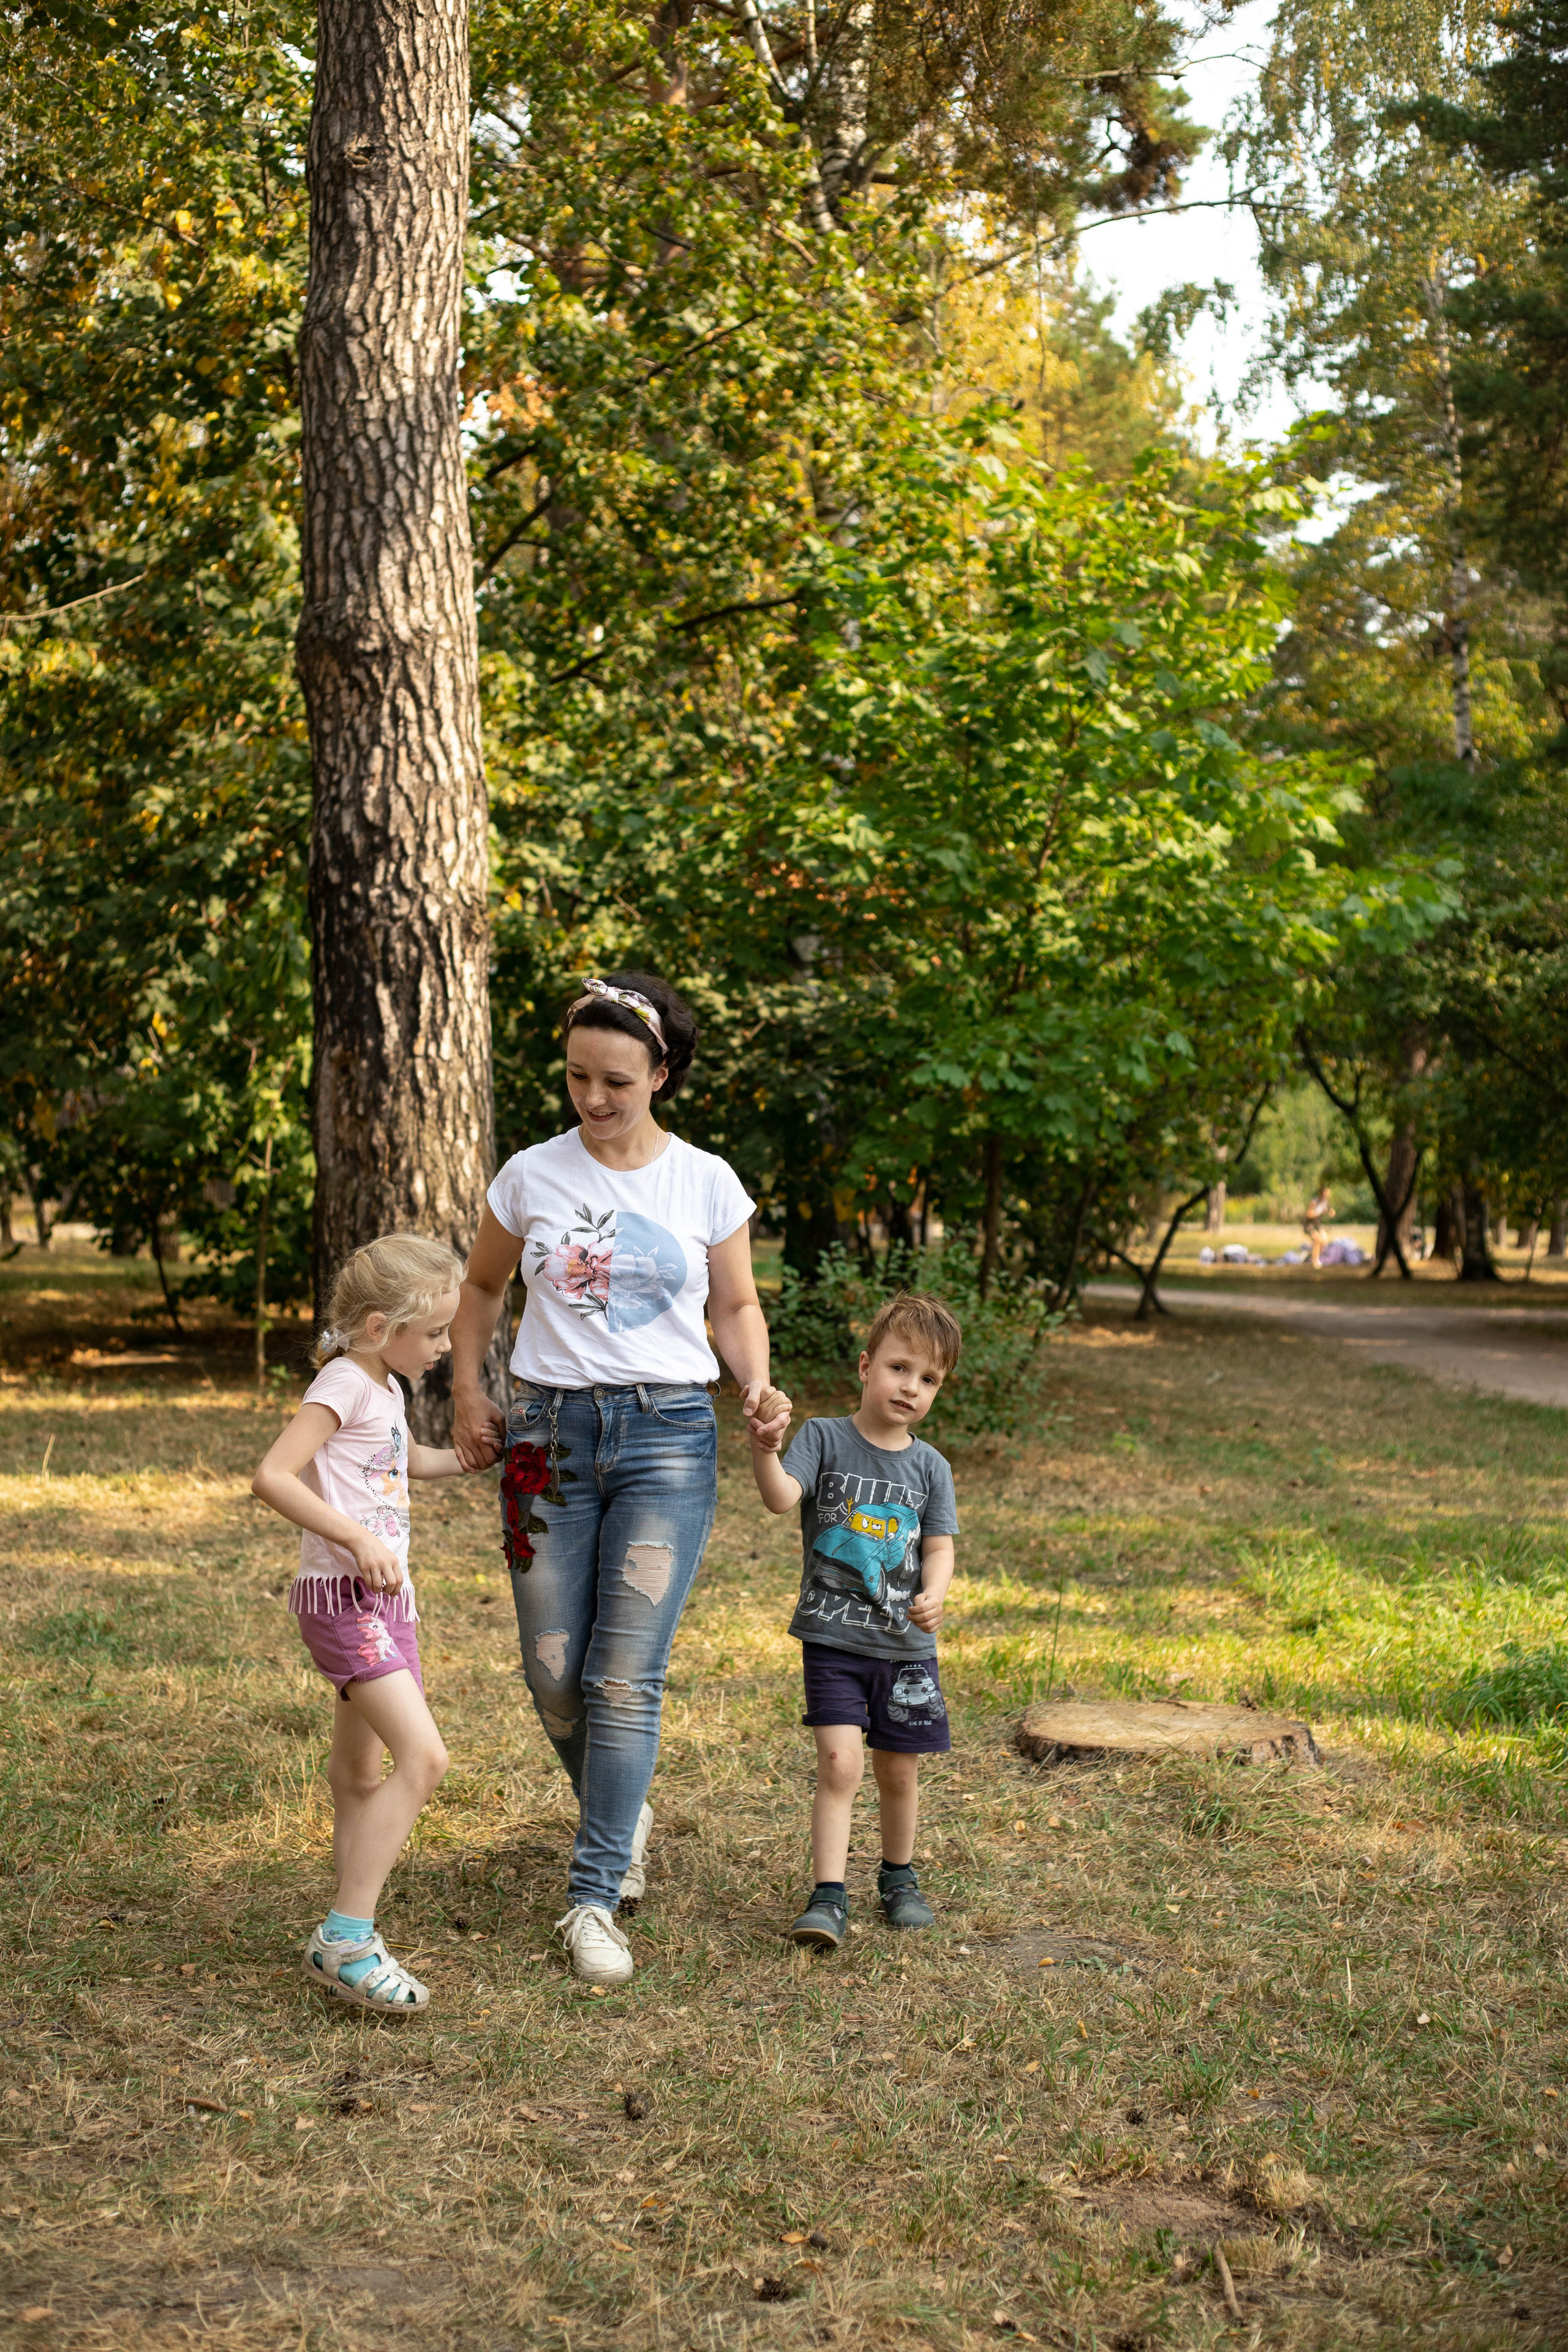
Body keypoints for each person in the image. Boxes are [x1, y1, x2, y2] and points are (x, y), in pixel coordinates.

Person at [447, 973, 787, 1988]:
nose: (593, 1099)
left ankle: (594, 1896)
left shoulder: (706, 1183)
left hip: (668, 1438)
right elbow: (480, 1287)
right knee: (552, 1671)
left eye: (616, 1082)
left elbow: (734, 1308)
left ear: (662, 1077)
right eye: (577, 1077)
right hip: (544, 1442)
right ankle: (620, 1806)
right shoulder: (529, 1177)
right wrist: (469, 1388)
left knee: (622, 1675)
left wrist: (758, 1382)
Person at [251, 1235, 466, 2013]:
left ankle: (353, 1918)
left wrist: (484, 1452)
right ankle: (345, 1937)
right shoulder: (343, 1380)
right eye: (435, 1332)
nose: (446, 1346)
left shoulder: (385, 1384)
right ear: (381, 1326)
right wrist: (356, 1538)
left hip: (386, 1603)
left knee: (360, 1775)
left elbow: (406, 1463)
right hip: (343, 1601)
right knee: (425, 1758)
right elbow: (272, 1475)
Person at [749, 1291, 961, 1951]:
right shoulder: (823, 1437)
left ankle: (898, 1878)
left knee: (899, 1771)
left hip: (905, 1648)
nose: (911, 1387)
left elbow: (939, 1546)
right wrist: (765, 1449)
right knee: (840, 1764)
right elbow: (783, 1499)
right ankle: (828, 1895)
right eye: (900, 1368)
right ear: (866, 1366)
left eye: (928, 1380)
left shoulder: (930, 1467)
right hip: (834, 1639)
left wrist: (936, 1592)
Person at [1303, 1181, 1333, 1269]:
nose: (1327, 1196)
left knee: (1324, 1241)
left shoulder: (1325, 1202)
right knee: (1317, 1240)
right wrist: (1318, 1213)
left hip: (1317, 1226)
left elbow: (1328, 1210)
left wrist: (1331, 1212)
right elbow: (1308, 1214)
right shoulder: (1314, 1201)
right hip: (1309, 1225)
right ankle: (1315, 1261)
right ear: (1322, 1193)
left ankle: (1312, 1255)